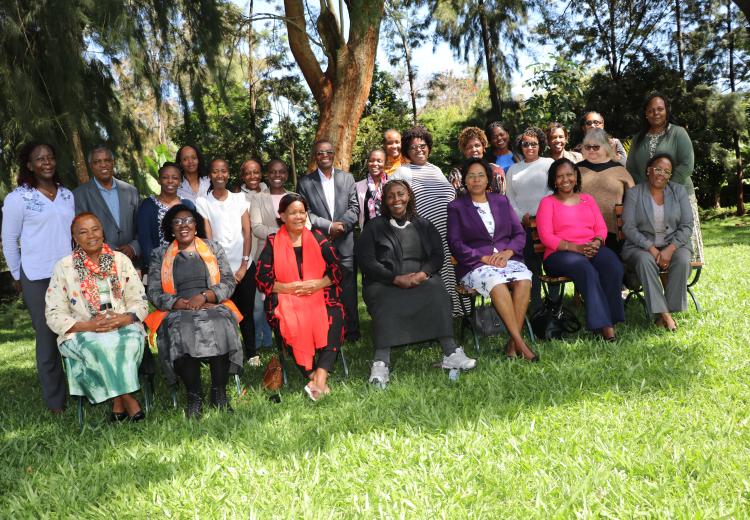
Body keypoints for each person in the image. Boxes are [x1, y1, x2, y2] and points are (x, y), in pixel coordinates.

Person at [359, 180, 477, 386]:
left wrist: (422, 275)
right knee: (384, 299)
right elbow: (367, 261)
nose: (396, 199)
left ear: (409, 196)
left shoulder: (424, 224)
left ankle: (451, 352)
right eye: (390, 196)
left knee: (437, 290)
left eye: (401, 194)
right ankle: (381, 362)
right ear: (384, 201)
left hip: (420, 278)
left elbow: (437, 255)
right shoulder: (373, 227)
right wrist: (395, 278)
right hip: (385, 281)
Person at [45, 213, 148, 421]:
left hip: (123, 323)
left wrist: (124, 319)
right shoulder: (64, 267)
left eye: (95, 229)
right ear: (75, 238)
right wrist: (88, 326)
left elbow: (140, 301)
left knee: (127, 343)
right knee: (100, 345)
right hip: (81, 330)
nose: (91, 235)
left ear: (102, 231)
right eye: (83, 232)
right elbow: (54, 314)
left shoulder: (120, 260)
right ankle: (128, 400)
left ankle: (117, 403)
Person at [145, 205, 243, 418]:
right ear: (171, 229)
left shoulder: (213, 248)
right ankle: (194, 396)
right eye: (177, 222)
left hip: (212, 304)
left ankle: (219, 393)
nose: (184, 225)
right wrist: (177, 303)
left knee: (221, 324)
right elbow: (153, 290)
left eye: (188, 220)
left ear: (196, 225)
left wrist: (206, 296)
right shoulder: (160, 255)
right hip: (178, 309)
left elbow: (228, 281)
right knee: (183, 329)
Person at [1, 141, 75, 414]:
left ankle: (85, 390)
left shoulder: (67, 195)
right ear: (29, 165)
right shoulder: (18, 198)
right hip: (36, 276)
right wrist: (18, 276)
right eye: (40, 158)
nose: (47, 162)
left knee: (75, 331)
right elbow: (9, 240)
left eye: (50, 157)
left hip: (69, 275)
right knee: (47, 337)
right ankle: (56, 403)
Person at [255, 194, 345, 400]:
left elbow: (338, 270)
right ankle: (313, 375)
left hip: (318, 293)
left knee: (335, 313)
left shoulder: (318, 238)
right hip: (286, 298)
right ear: (282, 216)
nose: (299, 217)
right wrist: (288, 288)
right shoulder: (273, 242)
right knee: (289, 321)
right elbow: (261, 278)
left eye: (302, 212)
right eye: (293, 213)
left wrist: (318, 284)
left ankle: (319, 376)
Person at [447, 158, 536, 361]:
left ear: (488, 179)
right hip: (476, 264)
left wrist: (508, 252)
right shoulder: (456, 207)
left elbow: (519, 233)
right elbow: (455, 243)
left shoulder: (501, 201)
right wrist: (484, 257)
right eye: (471, 176)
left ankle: (512, 345)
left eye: (481, 175)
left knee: (524, 280)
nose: (476, 180)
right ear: (465, 180)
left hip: (506, 259)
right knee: (496, 283)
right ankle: (521, 344)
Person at [536, 158, 624, 341]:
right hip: (559, 254)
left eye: (569, 174)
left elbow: (600, 228)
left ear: (576, 176)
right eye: (560, 176)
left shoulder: (588, 199)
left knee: (612, 264)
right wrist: (575, 248)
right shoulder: (547, 202)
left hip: (590, 248)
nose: (565, 179)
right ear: (554, 180)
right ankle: (604, 326)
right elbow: (546, 237)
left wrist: (597, 242)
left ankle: (611, 317)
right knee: (584, 268)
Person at [392, 126, 463, 316]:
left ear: (429, 147)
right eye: (413, 147)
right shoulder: (403, 172)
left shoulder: (436, 169)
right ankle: (441, 313)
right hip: (426, 236)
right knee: (438, 272)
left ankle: (458, 310)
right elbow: (394, 203)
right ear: (407, 152)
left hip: (450, 232)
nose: (419, 150)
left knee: (453, 270)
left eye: (422, 145)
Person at [626, 93, 703, 264]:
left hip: (678, 195)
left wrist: (664, 187)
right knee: (650, 250)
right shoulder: (638, 139)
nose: (656, 113)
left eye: (660, 109)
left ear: (667, 110)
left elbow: (687, 165)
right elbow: (631, 169)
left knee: (680, 256)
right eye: (651, 110)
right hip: (647, 199)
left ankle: (680, 272)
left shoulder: (678, 133)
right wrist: (648, 189)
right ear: (645, 114)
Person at [296, 139, 360, 341]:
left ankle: (351, 332)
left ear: (334, 154)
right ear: (315, 156)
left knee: (348, 290)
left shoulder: (347, 178)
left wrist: (342, 225)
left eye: (328, 152)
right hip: (319, 245)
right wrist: (329, 226)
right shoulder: (305, 182)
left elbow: (354, 207)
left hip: (345, 243)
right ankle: (329, 332)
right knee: (324, 290)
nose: (325, 156)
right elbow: (306, 213)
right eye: (320, 153)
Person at [622, 153, 693, 332]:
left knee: (683, 260)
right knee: (645, 261)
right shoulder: (634, 193)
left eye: (666, 172)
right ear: (648, 171)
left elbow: (686, 225)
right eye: (658, 169)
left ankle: (665, 313)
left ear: (670, 176)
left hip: (674, 244)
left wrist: (670, 249)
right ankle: (666, 316)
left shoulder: (678, 192)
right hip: (640, 246)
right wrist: (652, 249)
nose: (662, 174)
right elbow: (629, 228)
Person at [195, 159, 256, 365]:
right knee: (223, 313)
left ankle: (252, 353)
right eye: (215, 171)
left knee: (247, 311)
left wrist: (243, 266)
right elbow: (209, 240)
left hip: (244, 265)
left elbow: (247, 233)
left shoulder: (240, 199)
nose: (219, 175)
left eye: (223, 171)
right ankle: (228, 354)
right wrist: (222, 272)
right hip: (220, 269)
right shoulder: (203, 202)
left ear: (228, 174)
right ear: (209, 175)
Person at [505, 127, 554, 311]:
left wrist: (538, 213)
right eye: (526, 144)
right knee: (532, 267)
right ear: (521, 146)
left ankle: (555, 304)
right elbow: (509, 198)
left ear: (540, 145)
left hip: (547, 222)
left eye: (534, 143)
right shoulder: (513, 169)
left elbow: (553, 190)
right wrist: (522, 216)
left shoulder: (549, 163)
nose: (530, 147)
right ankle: (537, 307)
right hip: (523, 226)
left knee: (551, 264)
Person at [74, 146, 141, 263]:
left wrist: (133, 247)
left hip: (132, 260)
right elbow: (82, 231)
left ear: (113, 162)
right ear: (91, 166)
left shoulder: (131, 191)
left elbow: (141, 225)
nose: (103, 165)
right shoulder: (80, 195)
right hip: (99, 261)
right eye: (97, 162)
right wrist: (112, 250)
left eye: (107, 160)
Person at [578, 128, 634, 253]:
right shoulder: (576, 170)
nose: (591, 150)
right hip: (583, 231)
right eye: (588, 147)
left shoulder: (620, 170)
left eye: (596, 147)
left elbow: (633, 200)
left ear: (605, 147)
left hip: (614, 232)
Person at [136, 162, 196, 271]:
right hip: (158, 268)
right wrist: (157, 267)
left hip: (187, 266)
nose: (170, 181)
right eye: (165, 177)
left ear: (180, 182)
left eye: (175, 178)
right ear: (159, 180)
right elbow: (145, 240)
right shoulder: (148, 205)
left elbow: (195, 237)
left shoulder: (188, 205)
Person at [448, 127, 504, 195]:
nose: (474, 150)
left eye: (477, 145)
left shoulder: (495, 170)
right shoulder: (457, 174)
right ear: (464, 151)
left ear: (483, 147)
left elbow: (502, 197)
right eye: (469, 147)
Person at [355, 148, 387, 228]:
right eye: (371, 161)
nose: (375, 164)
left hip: (390, 232)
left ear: (385, 163)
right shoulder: (358, 186)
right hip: (367, 232)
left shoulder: (391, 184)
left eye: (379, 161)